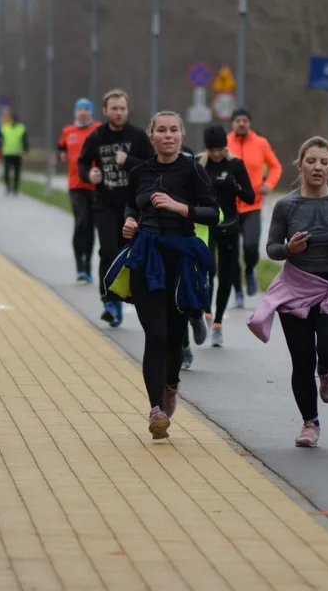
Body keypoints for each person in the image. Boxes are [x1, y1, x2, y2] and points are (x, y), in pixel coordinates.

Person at [107, 111, 217, 439]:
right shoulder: (140, 171)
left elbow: (214, 213)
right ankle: (156, 410)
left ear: (182, 136)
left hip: (181, 262)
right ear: (152, 136)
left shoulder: (193, 170)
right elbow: (131, 206)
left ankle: (171, 385)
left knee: (172, 338)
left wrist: (180, 207)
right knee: (154, 335)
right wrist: (129, 222)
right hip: (146, 259)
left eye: (174, 130)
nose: (168, 135)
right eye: (161, 130)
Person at [247, 137, 328, 448]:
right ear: (300, 165)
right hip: (295, 290)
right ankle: (310, 423)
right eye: (311, 161)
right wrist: (289, 248)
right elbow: (271, 249)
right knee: (301, 360)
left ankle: (326, 371)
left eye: (324, 162)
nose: (318, 167)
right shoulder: (287, 205)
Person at [77, 89, 155, 327]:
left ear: (127, 110)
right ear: (105, 111)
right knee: (108, 252)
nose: (118, 112)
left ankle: (123, 297)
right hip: (105, 204)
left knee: (126, 254)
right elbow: (82, 161)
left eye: (122, 108)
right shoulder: (97, 136)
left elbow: (152, 166)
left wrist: (129, 161)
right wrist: (88, 174)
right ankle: (109, 302)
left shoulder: (138, 137)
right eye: (114, 108)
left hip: (132, 206)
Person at [198, 124, 255, 348]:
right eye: (212, 150)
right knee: (208, 269)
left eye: (220, 149)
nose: (217, 154)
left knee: (226, 275)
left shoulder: (235, 165)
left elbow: (250, 197)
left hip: (230, 225)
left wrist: (235, 187)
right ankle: (207, 312)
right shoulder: (199, 164)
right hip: (207, 225)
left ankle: (218, 324)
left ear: (226, 146)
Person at [227, 108, 283, 306]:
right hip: (230, 206)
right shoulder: (225, 143)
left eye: (245, 120)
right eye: (238, 120)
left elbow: (276, 166)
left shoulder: (261, 143)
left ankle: (250, 270)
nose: (241, 124)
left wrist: (270, 184)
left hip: (253, 204)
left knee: (251, 247)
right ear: (232, 124)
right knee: (231, 253)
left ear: (249, 123)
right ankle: (238, 291)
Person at [58, 98, 102, 283]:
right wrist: (61, 155)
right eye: (80, 109)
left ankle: (87, 267)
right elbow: (61, 147)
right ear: (75, 112)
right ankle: (79, 266)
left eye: (86, 109)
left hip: (95, 185)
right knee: (81, 221)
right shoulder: (68, 131)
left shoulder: (98, 129)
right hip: (75, 185)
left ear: (91, 112)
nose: (83, 112)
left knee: (90, 226)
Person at [0, 110, 28, 196]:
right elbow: (0, 141)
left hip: (17, 154)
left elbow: (25, 142)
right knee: (6, 172)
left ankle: (15, 189)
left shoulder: (21, 128)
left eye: (13, 120)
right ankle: (8, 187)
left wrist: (24, 152)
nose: (12, 121)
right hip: (7, 153)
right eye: (11, 120)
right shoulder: (5, 128)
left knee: (17, 172)